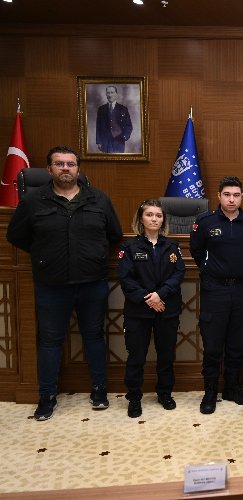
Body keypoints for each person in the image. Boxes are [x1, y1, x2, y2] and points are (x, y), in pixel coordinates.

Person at [6, 146, 123, 421]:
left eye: (71, 164)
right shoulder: (34, 200)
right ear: (50, 169)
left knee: (94, 338)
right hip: (51, 284)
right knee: (50, 342)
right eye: (59, 164)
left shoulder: (98, 199)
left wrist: (94, 255)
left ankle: (99, 391)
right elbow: (16, 235)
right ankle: (46, 397)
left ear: (78, 169)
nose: (66, 168)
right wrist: (44, 255)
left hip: (92, 282)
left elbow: (114, 234)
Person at [190, 176, 243, 414]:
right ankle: (210, 392)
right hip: (215, 290)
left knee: (237, 344)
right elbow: (197, 251)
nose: (232, 199)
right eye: (227, 195)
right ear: (219, 196)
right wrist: (211, 269)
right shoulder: (205, 222)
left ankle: (232, 388)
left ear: (242, 197)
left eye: (236, 195)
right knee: (212, 344)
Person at [118, 199, 186, 418]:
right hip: (139, 311)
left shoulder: (172, 246)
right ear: (141, 219)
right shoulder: (129, 247)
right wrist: (148, 298)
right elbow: (126, 279)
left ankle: (165, 393)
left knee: (166, 355)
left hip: (167, 308)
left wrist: (160, 294)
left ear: (163, 220)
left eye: (158, 215)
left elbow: (179, 273)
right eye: (149, 215)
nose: (154, 219)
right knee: (136, 356)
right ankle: (134, 397)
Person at [95, 85, 133, 153]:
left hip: (119, 141)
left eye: (112, 92)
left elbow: (129, 125)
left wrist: (124, 137)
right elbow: (98, 126)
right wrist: (99, 141)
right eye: (108, 93)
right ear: (106, 95)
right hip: (105, 141)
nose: (110, 95)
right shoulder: (101, 109)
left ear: (116, 94)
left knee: (119, 159)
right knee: (106, 159)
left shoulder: (123, 109)